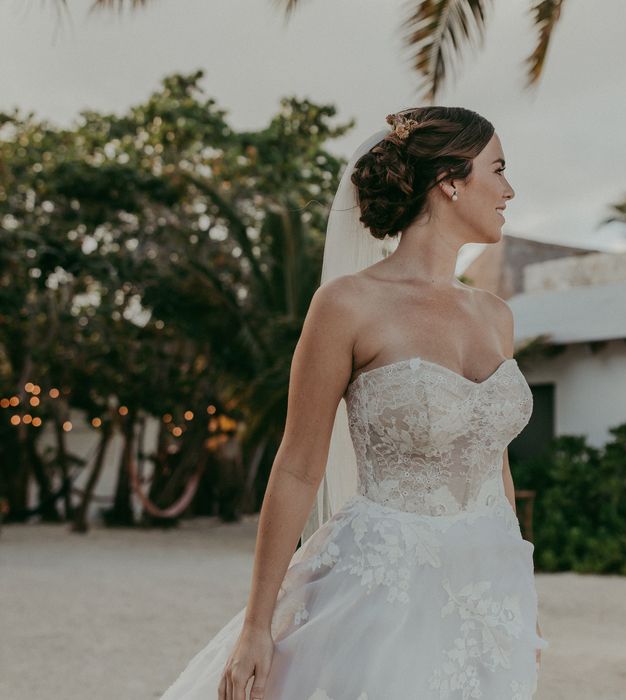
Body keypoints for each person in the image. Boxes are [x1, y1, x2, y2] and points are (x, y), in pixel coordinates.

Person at [159, 106, 549, 700]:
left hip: (489, 590)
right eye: (497, 169)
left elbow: (493, 459)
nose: (509, 189)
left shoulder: (496, 315)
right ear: (450, 180)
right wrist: (257, 628)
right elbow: (296, 467)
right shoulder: (346, 305)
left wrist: (518, 586)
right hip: (380, 589)